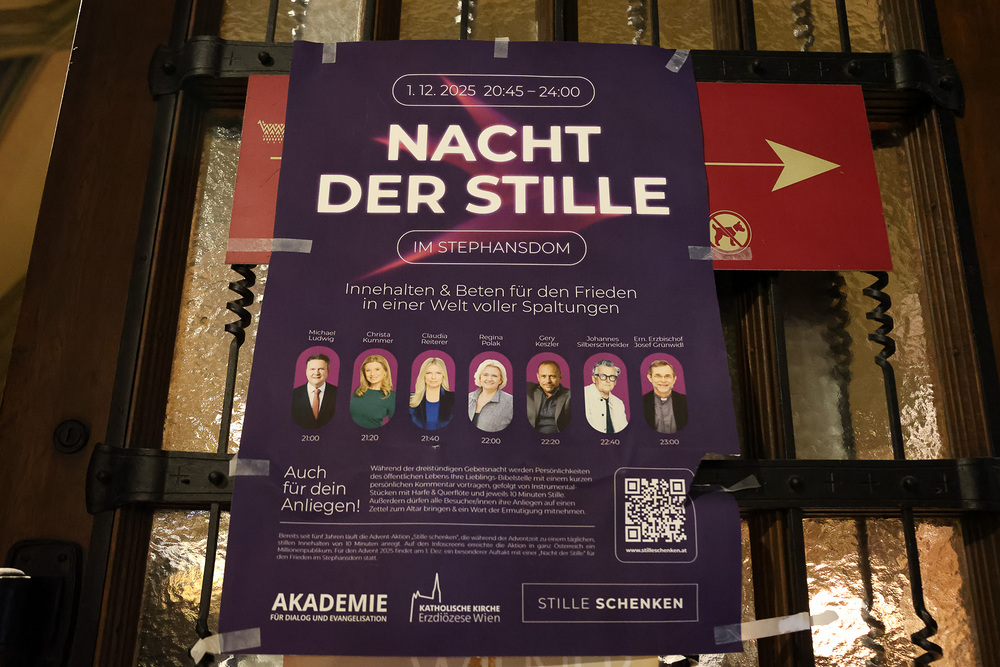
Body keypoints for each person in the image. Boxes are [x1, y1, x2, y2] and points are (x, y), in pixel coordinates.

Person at [291, 353, 337, 429]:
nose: (316, 373)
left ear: (328, 371)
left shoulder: (338, 393)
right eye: (312, 369)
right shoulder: (293, 395)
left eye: (321, 369)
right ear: (306, 371)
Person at [350, 354, 396, 428]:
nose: (372, 374)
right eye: (368, 370)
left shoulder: (392, 396)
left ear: (385, 372)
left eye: (377, 369)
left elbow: (395, 426)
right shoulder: (358, 391)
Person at [526, 360, 571, 433]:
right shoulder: (529, 390)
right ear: (538, 377)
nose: (548, 381)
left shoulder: (569, 396)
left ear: (560, 377)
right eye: (543, 376)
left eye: (552, 376)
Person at [643, 360, 688, 433]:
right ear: (650, 378)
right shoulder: (641, 403)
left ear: (674, 379)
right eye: (658, 376)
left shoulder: (686, 402)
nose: (663, 380)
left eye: (667, 376)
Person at [467, 359, 513, 432]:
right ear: (480, 377)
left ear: (500, 380)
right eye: (485, 375)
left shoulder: (511, 402)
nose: (489, 379)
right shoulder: (468, 398)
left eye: (494, 376)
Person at [409, 357, 454, 430]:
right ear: (423, 376)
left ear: (443, 376)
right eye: (428, 373)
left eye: (438, 373)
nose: (433, 377)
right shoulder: (411, 400)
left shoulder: (453, 398)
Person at [584, 359, 628, 434]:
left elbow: (624, 431)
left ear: (615, 381)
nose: (608, 380)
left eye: (612, 377)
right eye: (603, 376)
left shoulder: (618, 403)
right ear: (594, 379)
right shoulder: (583, 396)